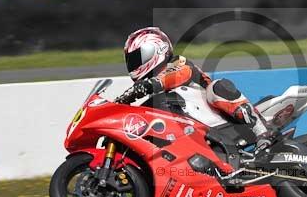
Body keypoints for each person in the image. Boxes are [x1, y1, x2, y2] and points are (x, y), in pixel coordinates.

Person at [116, 27, 274, 151]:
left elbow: (178, 75)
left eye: (137, 57)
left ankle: (261, 130)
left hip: (220, 118)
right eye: (131, 60)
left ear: (156, 49)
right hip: (196, 136)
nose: (134, 64)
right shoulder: (156, 91)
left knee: (217, 87)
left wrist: (147, 86)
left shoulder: (178, 64)